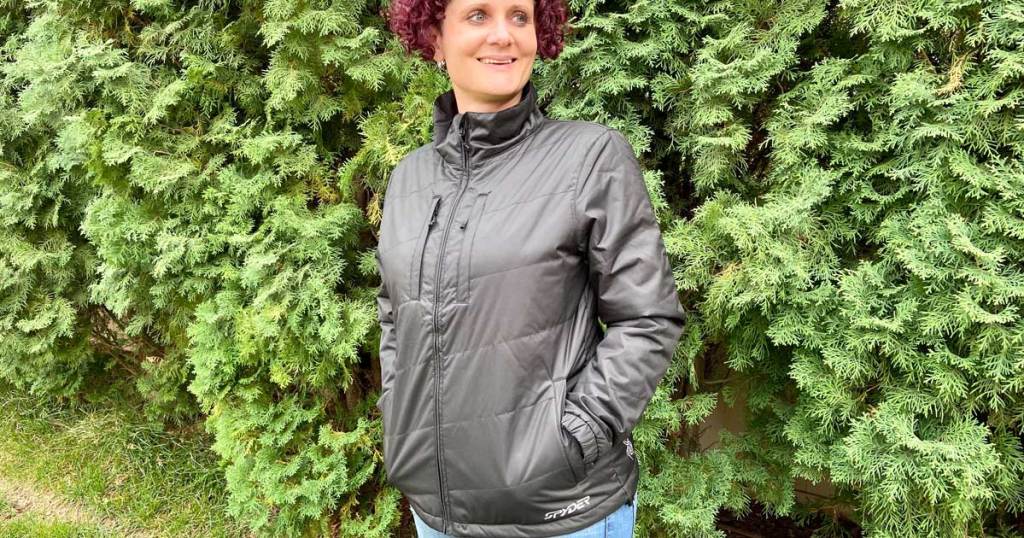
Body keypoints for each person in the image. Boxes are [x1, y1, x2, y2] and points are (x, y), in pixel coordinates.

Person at [376, 0, 686, 535]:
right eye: (478, 15)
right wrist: (396, 413)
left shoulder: (589, 157)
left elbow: (648, 318)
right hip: (436, 514)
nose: (504, 35)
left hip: (561, 514)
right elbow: (393, 317)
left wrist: (576, 437)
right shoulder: (410, 178)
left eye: (519, 16)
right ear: (434, 35)